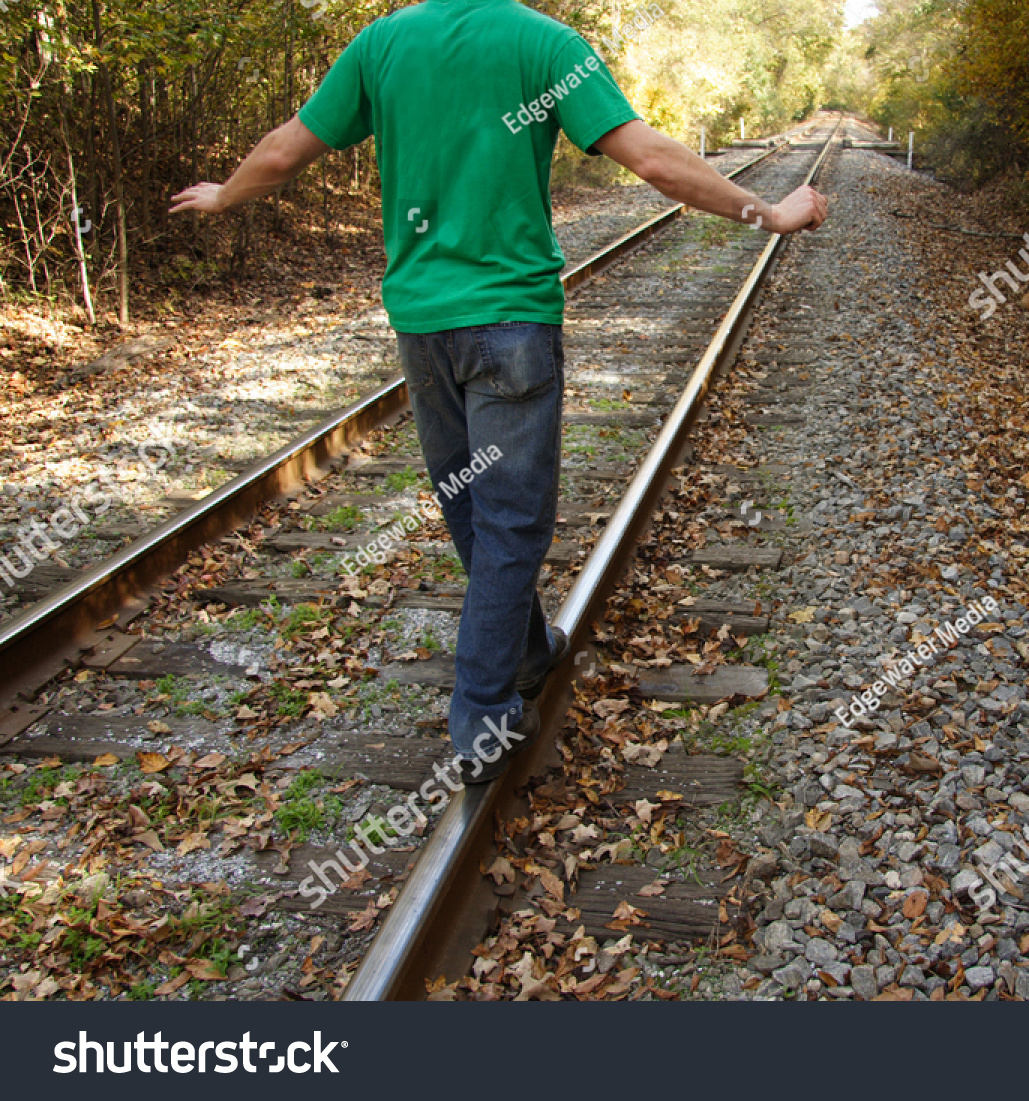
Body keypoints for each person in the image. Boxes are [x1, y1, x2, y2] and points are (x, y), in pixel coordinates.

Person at [170, 0, 828, 784]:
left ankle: (521, 651)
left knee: (469, 504)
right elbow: (650, 159)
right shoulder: (543, 43)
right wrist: (772, 212)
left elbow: (283, 151)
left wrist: (224, 196)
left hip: (423, 327)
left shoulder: (382, 43)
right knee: (510, 520)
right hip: (512, 320)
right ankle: (481, 716)